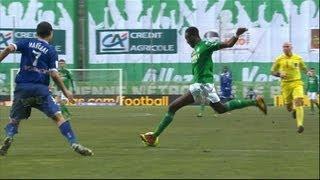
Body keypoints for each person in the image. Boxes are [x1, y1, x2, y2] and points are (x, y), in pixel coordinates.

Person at [140, 27, 267, 146]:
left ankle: (154, 136)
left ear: (194, 36)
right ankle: (255, 102)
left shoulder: (205, 45)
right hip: (204, 86)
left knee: (173, 107)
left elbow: (228, 44)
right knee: (221, 109)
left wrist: (236, 35)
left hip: (201, 86)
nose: (187, 41)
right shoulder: (194, 51)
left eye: (187, 38)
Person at [0, 21, 93, 156]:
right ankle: (74, 142)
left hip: (23, 88)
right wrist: (65, 91)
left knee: (14, 119)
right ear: (50, 34)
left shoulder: (26, 42)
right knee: (58, 117)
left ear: (37, 32)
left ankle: (9, 136)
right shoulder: (51, 50)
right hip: (40, 90)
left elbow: (9, 48)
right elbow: (54, 74)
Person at [271, 42, 307, 133]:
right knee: (289, 107)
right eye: (284, 47)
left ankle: (300, 125)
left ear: (291, 48)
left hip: (297, 82)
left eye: (287, 46)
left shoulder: (298, 58)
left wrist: (308, 72)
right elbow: (272, 71)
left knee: (299, 101)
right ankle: (293, 109)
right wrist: (279, 74)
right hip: (285, 85)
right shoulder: (279, 59)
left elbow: (304, 68)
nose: (285, 48)